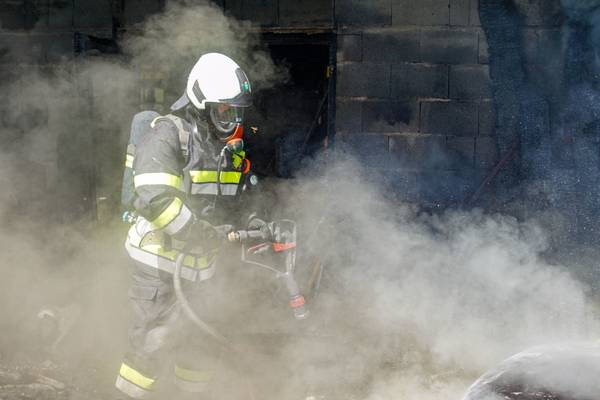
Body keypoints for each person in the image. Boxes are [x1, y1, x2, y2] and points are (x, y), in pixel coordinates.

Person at [115, 52, 259, 399]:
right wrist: (198, 233)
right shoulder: (167, 134)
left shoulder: (225, 148)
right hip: (159, 266)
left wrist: (256, 223)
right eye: (224, 111)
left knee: (199, 346)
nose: (232, 120)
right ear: (200, 103)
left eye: (237, 112)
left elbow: (234, 201)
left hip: (202, 269)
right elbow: (156, 199)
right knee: (151, 347)